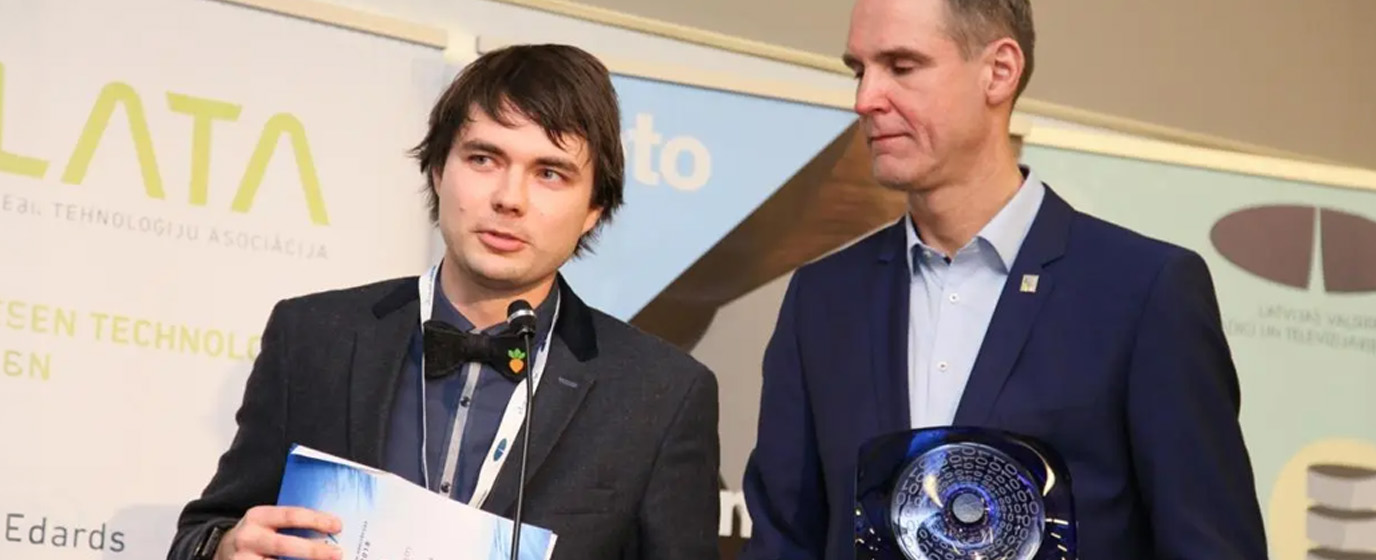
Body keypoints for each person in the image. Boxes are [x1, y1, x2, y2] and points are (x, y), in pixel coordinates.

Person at [739, 1, 1268, 558]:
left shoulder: (1144, 292)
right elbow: (782, 542)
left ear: (999, 71)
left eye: (901, 66)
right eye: (858, 70)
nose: (866, 98)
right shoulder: (822, 300)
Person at [166, 44, 720, 560]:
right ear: (438, 168)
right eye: (484, 159)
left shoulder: (662, 394)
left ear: (594, 207)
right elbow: (205, 528)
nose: (509, 198)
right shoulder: (313, 336)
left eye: (550, 173)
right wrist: (224, 547)